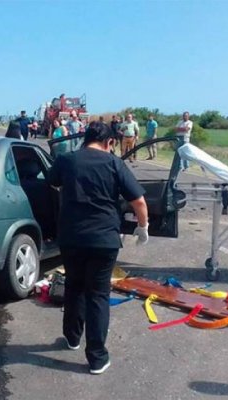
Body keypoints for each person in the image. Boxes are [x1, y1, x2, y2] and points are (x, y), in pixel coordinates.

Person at [48, 121, 149, 375]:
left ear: (85, 139)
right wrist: (143, 227)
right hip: (104, 240)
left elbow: (52, 183)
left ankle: (72, 338)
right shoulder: (114, 163)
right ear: (110, 142)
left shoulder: (67, 160)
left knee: (74, 286)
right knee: (97, 295)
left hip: (71, 237)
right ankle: (96, 358)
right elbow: (138, 200)